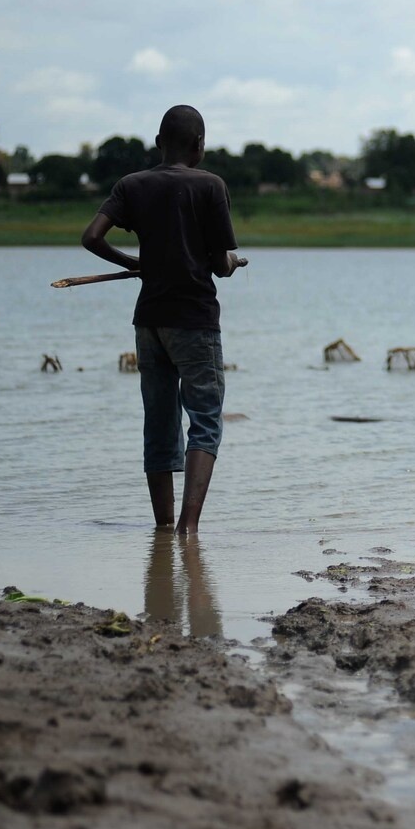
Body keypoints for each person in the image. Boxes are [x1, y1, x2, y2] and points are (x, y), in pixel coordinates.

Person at [81, 105, 246, 533]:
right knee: (205, 421)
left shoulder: (131, 185)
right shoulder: (210, 186)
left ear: (158, 143)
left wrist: (132, 262)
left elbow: (91, 238)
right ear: (199, 146)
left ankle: (162, 528)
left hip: (149, 322)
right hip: (194, 320)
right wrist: (231, 263)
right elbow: (218, 264)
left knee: (158, 423)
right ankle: (187, 531)